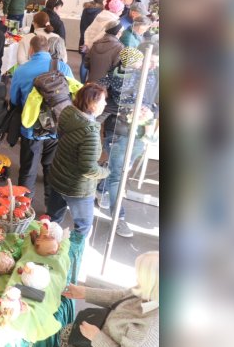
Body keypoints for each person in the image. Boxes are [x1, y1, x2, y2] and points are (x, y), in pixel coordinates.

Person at [97, 45, 159, 238]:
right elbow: (102, 93)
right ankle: (118, 218)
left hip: (139, 131)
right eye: (150, 61)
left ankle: (101, 189)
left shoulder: (150, 76)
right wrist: (128, 109)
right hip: (121, 131)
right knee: (119, 174)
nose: (152, 65)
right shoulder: (127, 77)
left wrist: (149, 111)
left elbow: (154, 101)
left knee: (124, 167)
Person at [10, 35, 74, 218]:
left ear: (31, 50)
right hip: (56, 129)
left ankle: (22, 210)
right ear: (48, 49)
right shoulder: (62, 67)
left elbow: (14, 99)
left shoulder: (22, 70)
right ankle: (50, 210)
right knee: (51, 170)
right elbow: (73, 92)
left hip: (32, 130)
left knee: (28, 170)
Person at [56, 251, 159, 347]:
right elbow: (122, 296)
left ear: (151, 283)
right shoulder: (148, 290)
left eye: (140, 276)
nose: (137, 279)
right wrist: (85, 293)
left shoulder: (151, 329)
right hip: (105, 331)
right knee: (63, 333)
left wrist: (96, 337)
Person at [48, 83, 110, 238]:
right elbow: (88, 169)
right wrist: (105, 172)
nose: (106, 103)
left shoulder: (67, 113)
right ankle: (73, 258)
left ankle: (46, 249)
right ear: (93, 104)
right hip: (77, 187)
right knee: (83, 228)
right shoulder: (90, 133)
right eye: (103, 100)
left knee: (52, 221)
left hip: (57, 176)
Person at [78, 0, 108, 81]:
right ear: (103, 1)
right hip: (94, 40)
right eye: (106, 0)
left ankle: (82, 83)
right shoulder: (101, 12)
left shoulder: (86, 10)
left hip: (84, 38)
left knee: (83, 62)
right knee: (93, 63)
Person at [85, 19, 124, 83]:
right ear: (118, 32)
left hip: (91, 82)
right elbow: (117, 69)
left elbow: (86, 63)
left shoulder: (95, 43)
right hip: (106, 85)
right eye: (122, 32)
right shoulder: (119, 47)